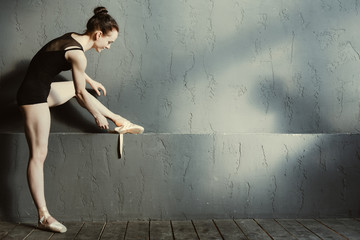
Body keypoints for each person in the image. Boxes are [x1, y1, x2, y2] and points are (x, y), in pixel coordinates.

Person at [16, 6, 143, 233]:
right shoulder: (79, 54)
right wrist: (95, 115)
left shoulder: (73, 38)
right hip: (33, 97)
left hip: (42, 87)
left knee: (84, 87)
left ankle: (120, 120)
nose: (109, 47)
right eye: (109, 42)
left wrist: (90, 80)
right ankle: (43, 216)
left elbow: (64, 58)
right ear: (98, 35)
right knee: (38, 155)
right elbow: (79, 92)